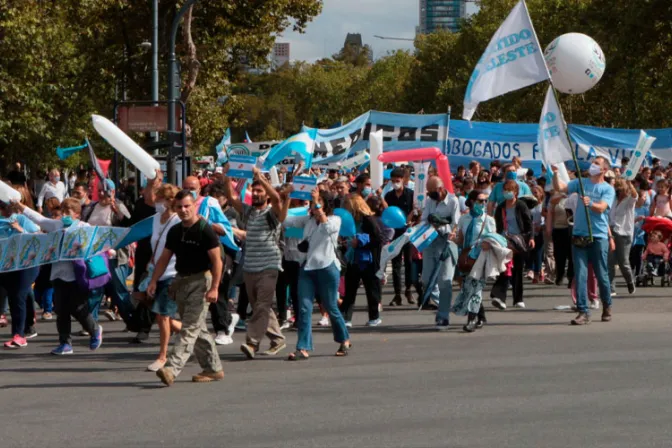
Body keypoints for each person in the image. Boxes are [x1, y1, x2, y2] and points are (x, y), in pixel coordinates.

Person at [148, 190, 224, 386]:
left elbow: (217, 261)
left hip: (201, 281)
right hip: (182, 281)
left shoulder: (204, 229)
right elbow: (164, 258)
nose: (183, 210)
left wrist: (214, 287)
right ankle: (213, 369)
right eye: (179, 207)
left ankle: (171, 369)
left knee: (189, 328)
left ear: (194, 206)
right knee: (198, 329)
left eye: (187, 206)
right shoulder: (175, 231)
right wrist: (154, 281)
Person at [15, 198, 103, 355]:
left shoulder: (84, 227)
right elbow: (39, 219)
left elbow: (94, 245)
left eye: (68, 212)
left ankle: (94, 329)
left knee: (78, 307)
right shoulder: (57, 225)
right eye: (62, 212)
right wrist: (21, 207)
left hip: (77, 275)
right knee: (61, 309)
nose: (64, 215)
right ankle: (65, 343)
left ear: (77, 214)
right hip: (58, 274)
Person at [223, 167, 288, 360]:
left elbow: (277, 199)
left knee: (261, 306)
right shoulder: (248, 211)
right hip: (250, 266)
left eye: (261, 191)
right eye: (255, 190)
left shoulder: (273, 212)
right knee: (262, 307)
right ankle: (278, 339)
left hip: (269, 265)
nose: (258, 193)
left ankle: (252, 343)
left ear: (266, 194)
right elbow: (231, 197)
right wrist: (228, 176)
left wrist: (261, 178)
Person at [284, 188, 352, 360]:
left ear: (325, 203)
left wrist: (317, 204)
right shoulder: (307, 221)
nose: (314, 205)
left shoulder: (335, 219)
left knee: (330, 306)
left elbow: (327, 227)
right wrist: (286, 198)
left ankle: (344, 339)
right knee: (304, 308)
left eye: (318, 202)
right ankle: (303, 347)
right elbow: (285, 222)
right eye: (313, 202)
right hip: (307, 268)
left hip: (327, 268)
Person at [553, 156, 616, 325]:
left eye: (596, 164)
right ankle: (583, 311)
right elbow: (560, 187)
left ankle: (607, 305)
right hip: (579, 234)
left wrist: (591, 204)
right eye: (592, 163)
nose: (592, 166)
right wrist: (555, 174)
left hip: (598, 236)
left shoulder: (607, 189)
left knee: (601, 274)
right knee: (580, 274)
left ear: (603, 169)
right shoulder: (581, 182)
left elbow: (602, 208)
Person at [143, 184, 183, 372]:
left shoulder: (177, 221)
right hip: (157, 271)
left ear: (170, 201)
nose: (157, 202)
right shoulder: (156, 219)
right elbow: (155, 243)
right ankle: (192, 334)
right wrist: (151, 262)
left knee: (162, 315)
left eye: (161, 199)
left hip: (173, 272)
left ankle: (162, 356)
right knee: (162, 316)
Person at [0, 201, 41, 348]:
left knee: (19, 295)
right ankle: (28, 322)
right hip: (7, 265)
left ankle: (19, 336)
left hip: (27, 264)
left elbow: (38, 237)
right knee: (14, 297)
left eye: (3, 207)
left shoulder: (22, 219)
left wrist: (20, 229)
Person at [421, 175, 460, 329]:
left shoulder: (453, 201)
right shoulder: (429, 201)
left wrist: (443, 226)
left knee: (445, 280)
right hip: (430, 241)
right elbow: (424, 219)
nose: (430, 194)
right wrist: (429, 222)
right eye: (428, 192)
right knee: (426, 279)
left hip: (446, 242)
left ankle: (443, 315)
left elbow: (456, 224)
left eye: (432, 191)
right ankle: (443, 302)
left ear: (441, 189)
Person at [339, 194, 384, 327]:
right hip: (353, 258)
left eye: (346, 205)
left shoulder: (369, 220)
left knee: (371, 289)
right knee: (350, 290)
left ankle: (374, 317)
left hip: (368, 259)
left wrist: (360, 241)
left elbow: (378, 239)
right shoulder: (350, 220)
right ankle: (346, 318)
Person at [453, 190, 495, 331]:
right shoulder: (464, 219)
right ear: (471, 201)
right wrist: (453, 239)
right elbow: (460, 239)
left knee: (476, 289)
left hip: (481, 259)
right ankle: (481, 316)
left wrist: (488, 243)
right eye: (480, 201)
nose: (483, 204)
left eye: (485, 201)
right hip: (467, 259)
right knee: (469, 288)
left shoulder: (489, 220)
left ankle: (471, 320)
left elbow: (494, 240)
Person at [490, 180, 533, 310]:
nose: (507, 193)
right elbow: (497, 225)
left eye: (509, 190)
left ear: (515, 192)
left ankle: (518, 299)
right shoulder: (501, 207)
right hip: (504, 241)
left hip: (519, 241)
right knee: (504, 268)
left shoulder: (521, 206)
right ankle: (499, 297)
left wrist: (531, 237)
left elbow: (528, 223)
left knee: (517, 270)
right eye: (505, 190)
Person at [384, 168, 417, 306]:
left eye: (397, 180)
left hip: (408, 233)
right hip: (394, 233)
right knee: (396, 264)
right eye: (393, 181)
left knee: (408, 263)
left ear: (403, 180)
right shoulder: (389, 196)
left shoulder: (411, 194)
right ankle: (397, 294)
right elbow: (386, 212)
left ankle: (408, 290)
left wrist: (412, 220)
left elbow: (416, 211)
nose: (395, 183)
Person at [609, 178, 637, 295]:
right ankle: (611, 288)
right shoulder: (613, 199)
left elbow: (635, 195)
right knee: (609, 261)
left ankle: (630, 281)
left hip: (624, 233)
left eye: (621, 189)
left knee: (623, 262)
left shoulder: (629, 200)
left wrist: (630, 184)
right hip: (611, 231)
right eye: (617, 189)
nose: (619, 192)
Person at [548, 191, 573, 286]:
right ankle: (560, 274)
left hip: (571, 228)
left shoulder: (574, 196)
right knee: (558, 254)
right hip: (558, 229)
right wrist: (548, 228)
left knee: (571, 254)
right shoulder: (556, 198)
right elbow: (550, 212)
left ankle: (571, 277)